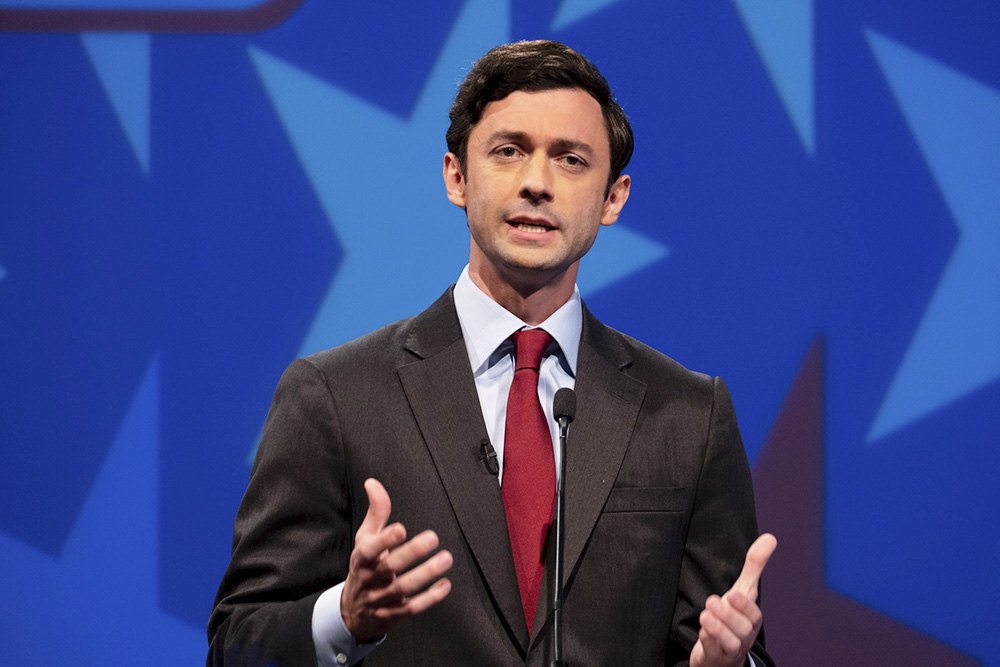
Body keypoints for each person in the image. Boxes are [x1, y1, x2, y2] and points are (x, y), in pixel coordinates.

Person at [208, 40, 777, 667]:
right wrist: (343, 618)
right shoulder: (335, 397)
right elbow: (236, 644)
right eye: (508, 152)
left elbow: (731, 644)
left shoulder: (690, 418)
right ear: (457, 176)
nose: (535, 183)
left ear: (614, 198)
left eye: (570, 159)